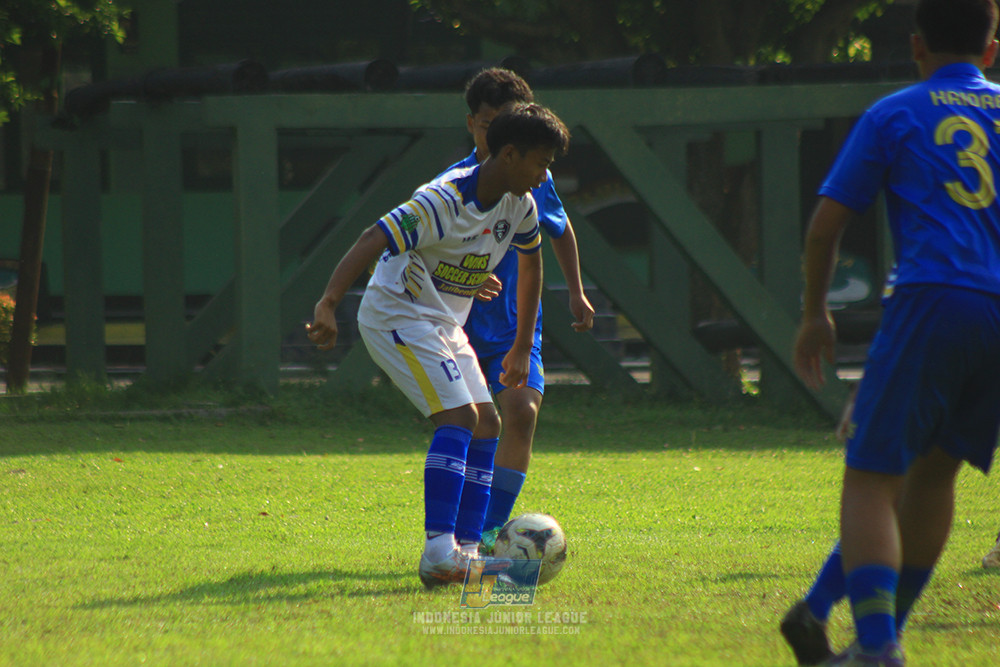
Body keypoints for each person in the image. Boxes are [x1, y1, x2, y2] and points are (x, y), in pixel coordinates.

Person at [786, 0, 1000, 664]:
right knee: (937, 475)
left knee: (872, 476)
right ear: (992, 52)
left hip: (935, 295)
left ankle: (878, 646)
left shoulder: (896, 112)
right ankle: (842, 622)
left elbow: (827, 224)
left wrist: (816, 311)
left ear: (915, 46)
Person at [307, 103, 571, 588]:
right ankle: (436, 553)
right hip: (395, 315)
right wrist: (328, 303)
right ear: (509, 154)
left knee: (487, 422)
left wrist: (518, 346)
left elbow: (532, 268)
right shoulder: (442, 199)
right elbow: (373, 236)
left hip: (443, 321)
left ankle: (466, 551)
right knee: (459, 418)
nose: (544, 174)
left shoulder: (521, 205)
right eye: (541, 162)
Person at [443, 68, 595, 553]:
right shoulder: (453, 186)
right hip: (460, 327)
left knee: (522, 411)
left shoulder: (534, 178)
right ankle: (459, 534)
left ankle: (488, 535)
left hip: (513, 325)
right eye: (487, 123)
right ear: (472, 124)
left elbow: (560, 228)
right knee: (473, 425)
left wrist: (575, 289)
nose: (494, 134)